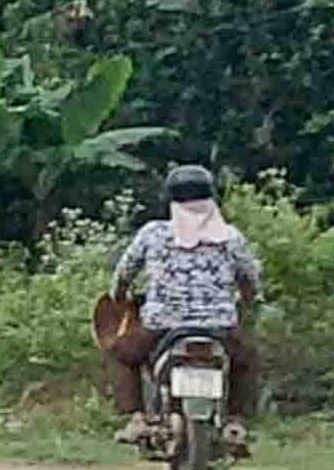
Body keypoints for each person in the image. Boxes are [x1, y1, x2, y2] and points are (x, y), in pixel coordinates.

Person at [102, 166, 268, 428]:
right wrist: (248, 300)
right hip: (219, 326)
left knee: (121, 354)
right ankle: (236, 422)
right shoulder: (230, 237)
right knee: (247, 361)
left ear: (169, 199)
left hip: (162, 326)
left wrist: (118, 295)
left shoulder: (153, 233)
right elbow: (251, 280)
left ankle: (136, 417)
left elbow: (125, 273)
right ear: (212, 198)